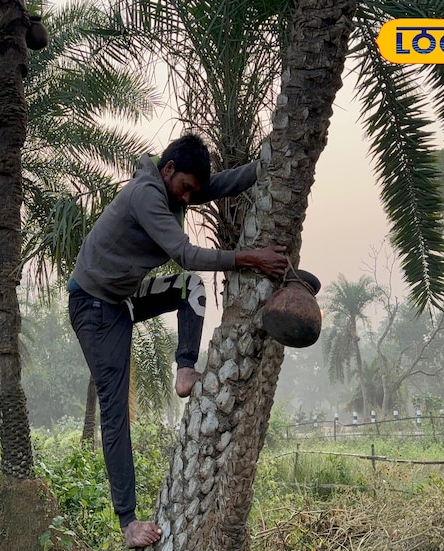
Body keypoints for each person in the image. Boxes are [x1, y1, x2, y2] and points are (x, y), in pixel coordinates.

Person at [67, 133, 288, 548]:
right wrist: (251, 258)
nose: (189, 199)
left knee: (191, 289)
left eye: (193, 193)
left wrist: (268, 165)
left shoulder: (174, 191)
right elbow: (185, 254)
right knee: (114, 411)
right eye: (186, 188)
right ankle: (128, 521)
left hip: (121, 299)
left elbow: (218, 184)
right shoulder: (146, 195)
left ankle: (185, 368)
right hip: (95, 307)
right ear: (168, 170)